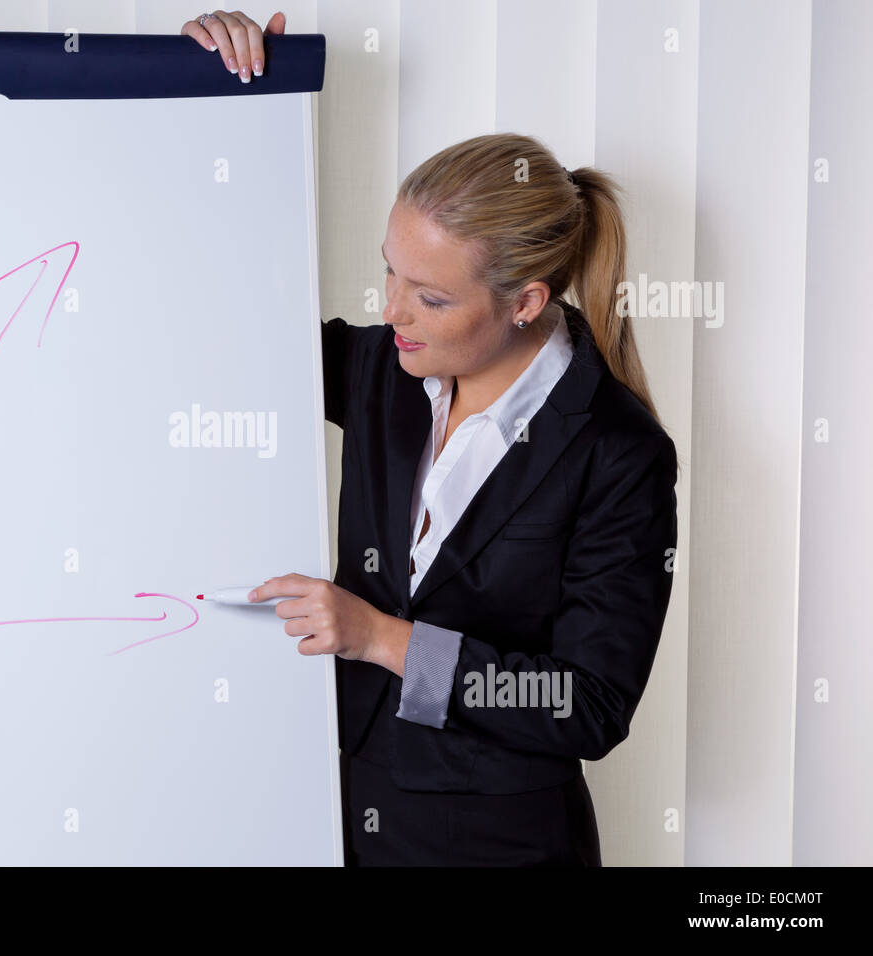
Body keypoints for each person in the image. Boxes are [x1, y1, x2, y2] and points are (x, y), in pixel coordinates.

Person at [182, 11, 680, 866]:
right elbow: (221, 320)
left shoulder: (617, 451)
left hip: (499, 846)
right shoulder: (381, 366)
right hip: (335, 813)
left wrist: (383, 639)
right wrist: (220, 93)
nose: (391, 311)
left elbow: (590, 702)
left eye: (431, 297)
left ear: (525, 301)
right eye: (389, 271)